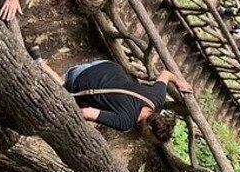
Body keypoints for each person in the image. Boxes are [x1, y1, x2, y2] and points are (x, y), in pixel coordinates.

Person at [33, 48, 191, 144]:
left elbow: (166, 74)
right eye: (152, 140)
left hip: (104, 65)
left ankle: (38, 59)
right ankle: (39, 62)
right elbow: (85, 113)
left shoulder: (157, 98)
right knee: (66, 95)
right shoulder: (125, 122)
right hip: (78, 76)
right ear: (148, 130)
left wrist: (179, 82)